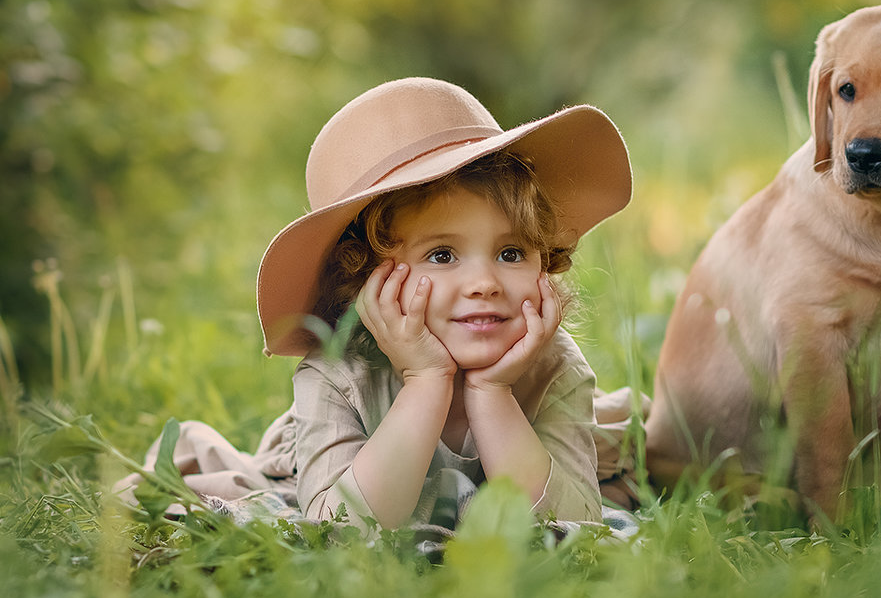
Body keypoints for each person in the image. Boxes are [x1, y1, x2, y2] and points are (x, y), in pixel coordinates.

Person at [116, 77, 636, 536]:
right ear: (367, 279)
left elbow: (576, 528)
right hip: (321, 463)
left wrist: (492, 390)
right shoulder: (336, 375)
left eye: (511, 252)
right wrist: (426, 380)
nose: (485, 282)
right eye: (442, 254)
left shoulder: (554, 366)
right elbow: (339, 531)